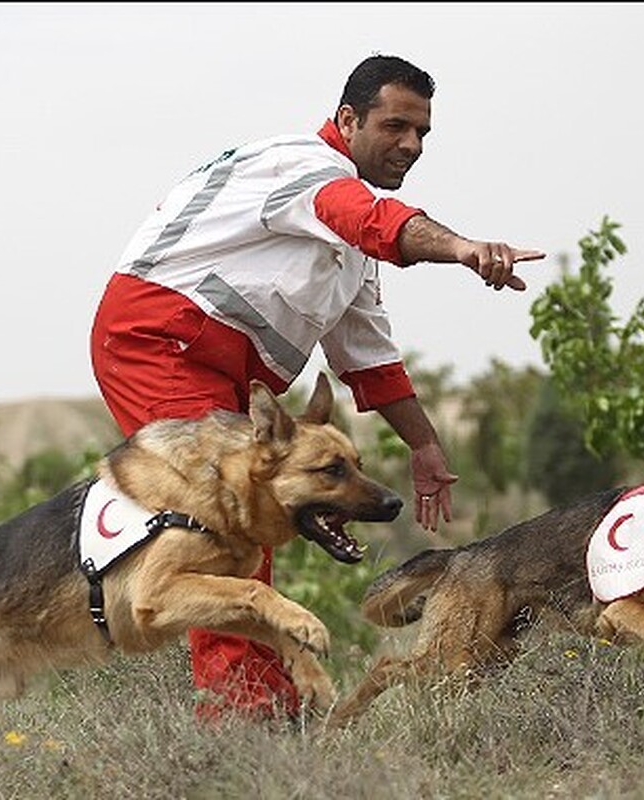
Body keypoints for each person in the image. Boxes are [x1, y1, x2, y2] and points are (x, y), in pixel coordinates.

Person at [90, 54, 545, 720]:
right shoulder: (303, 168)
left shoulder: (350, 240)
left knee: (251, 523)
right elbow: (369, 219)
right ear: (348, 119)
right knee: (228, 524)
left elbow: (369, 358)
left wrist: (424, 447)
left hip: (226, 375)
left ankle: (266, 701)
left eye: (422, 132)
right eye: (395, 126)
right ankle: (246, 716)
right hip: (158, 343)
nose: (411, 145)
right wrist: (462, 249)